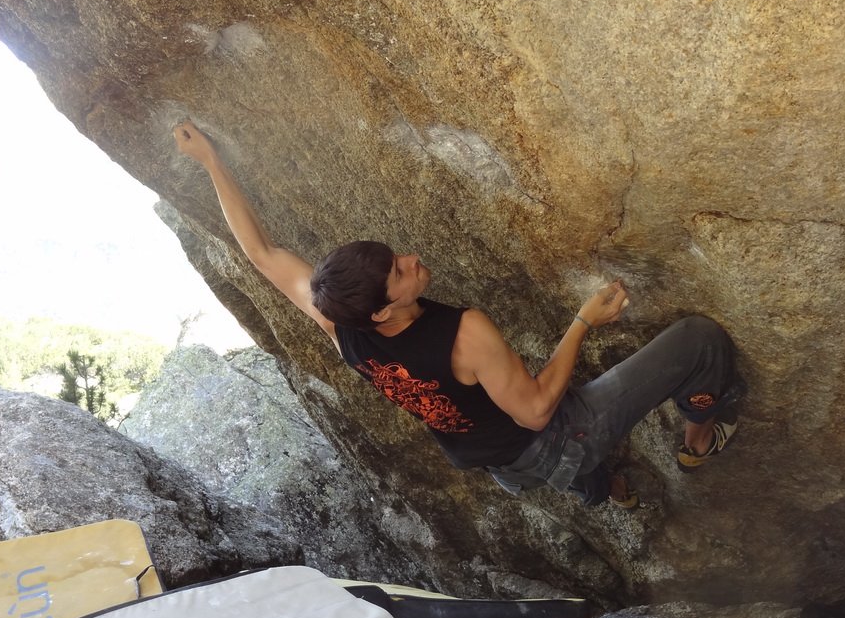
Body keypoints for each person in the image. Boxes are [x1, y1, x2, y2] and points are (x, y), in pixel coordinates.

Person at [173, 121, 744, 507]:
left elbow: (263, 254)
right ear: (382, 311)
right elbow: (539, 410)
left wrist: (210, 162)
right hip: (550, 438)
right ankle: (699, 442)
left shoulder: (341, 325)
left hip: (500, 467)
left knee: (575, 478)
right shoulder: (463, 333)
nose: (411, 260)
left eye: (394, 257)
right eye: (399, 272)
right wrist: (582, 323)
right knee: (699, 340)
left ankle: (609, 490)